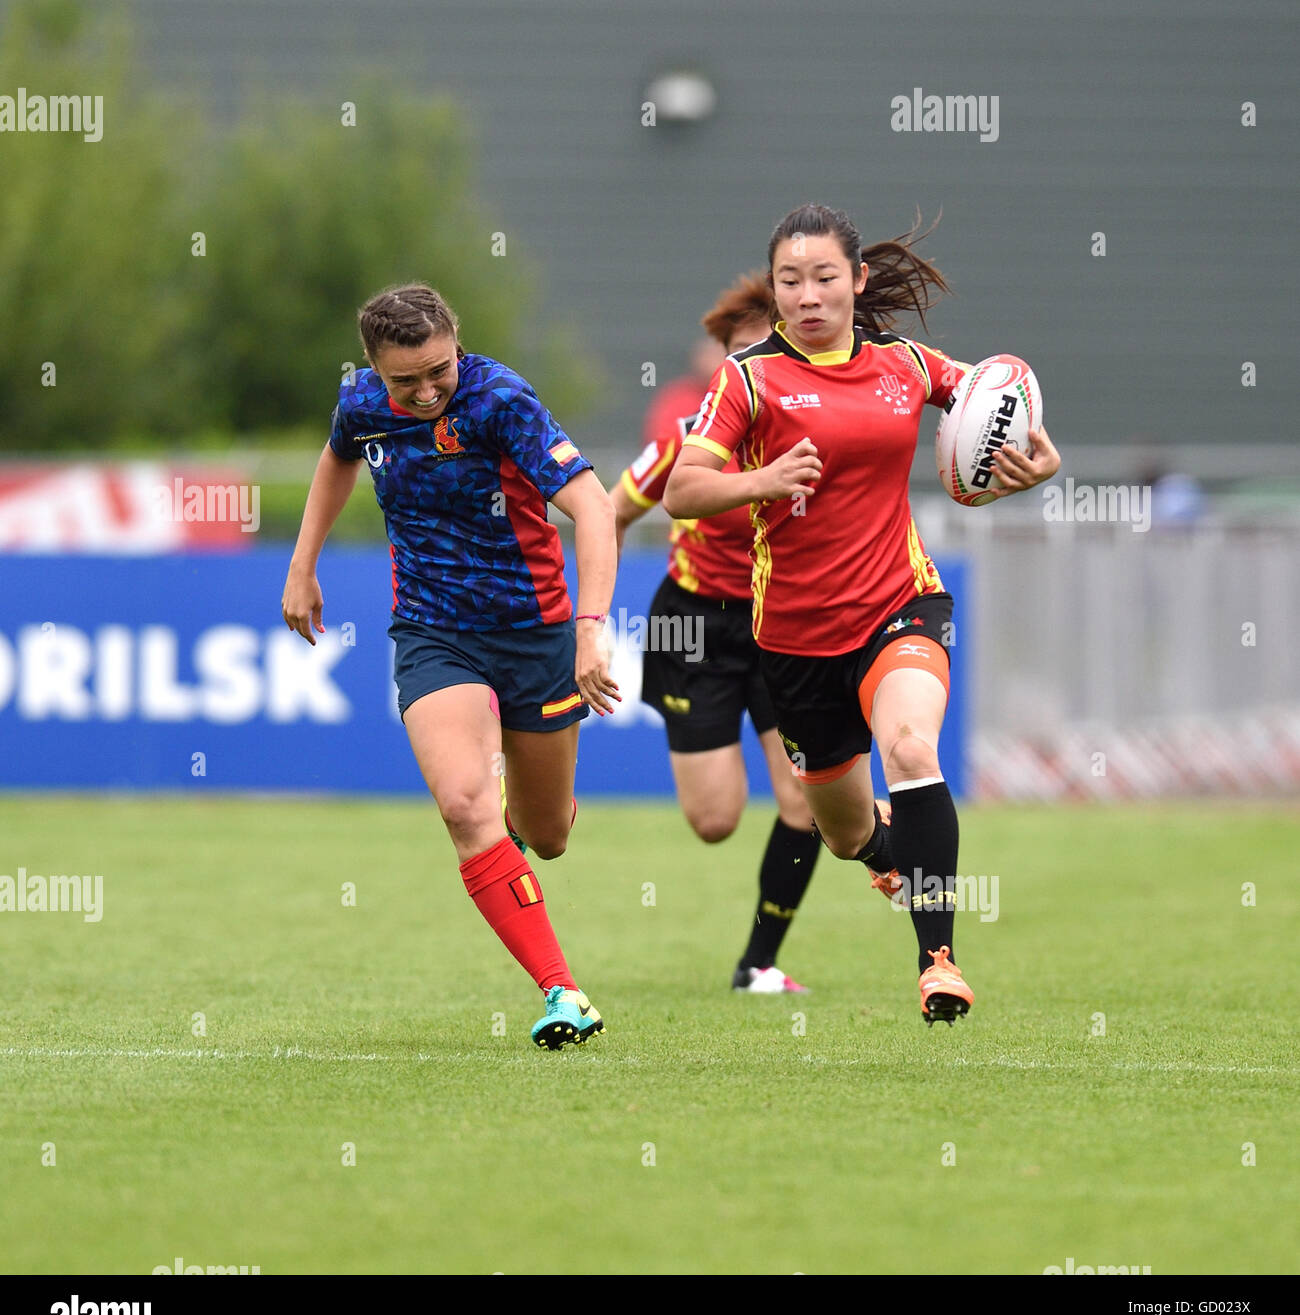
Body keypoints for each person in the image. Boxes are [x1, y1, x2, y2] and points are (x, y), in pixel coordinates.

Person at [663, 206, 1062, 1024]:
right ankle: (889, 848)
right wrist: (760, 481)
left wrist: (1035, 459)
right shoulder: (745, 380)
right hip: (798, 643)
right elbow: (682, 489)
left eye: (823, 277)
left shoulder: (906, 364)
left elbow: (994, 399)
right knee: (840, 832)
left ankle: (938, 961)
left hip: (899, 602)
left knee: (911, 745)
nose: (807, 295)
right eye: (789, 280)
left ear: (857, 281)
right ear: (772, 290)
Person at [281, 283, 621, 1050]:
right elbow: (338, 457)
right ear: (375, 370)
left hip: (533, 631)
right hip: (433, 630)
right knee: (465, 806)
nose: (429, 389)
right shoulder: (363, 403)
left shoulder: (502, 400)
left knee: (549, 832)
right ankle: (563, 990)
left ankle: (516, 819)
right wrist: (303, 564)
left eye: (439, 369)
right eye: (408, 381)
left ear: (455, 341)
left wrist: (590, 629)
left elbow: (594, 508)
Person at [613, 273, 897, 995]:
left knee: (803, 799)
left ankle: (758, 963)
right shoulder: (690, 436)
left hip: (786, 620)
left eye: (760, 351)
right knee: (714, 819)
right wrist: (588, 617)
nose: (749, 369)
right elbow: (610, 511)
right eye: (736, 354)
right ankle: (876, 827)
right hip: (693, 622)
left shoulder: (818, 427)